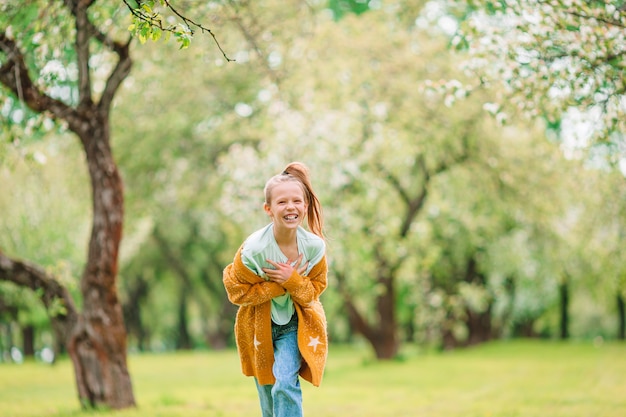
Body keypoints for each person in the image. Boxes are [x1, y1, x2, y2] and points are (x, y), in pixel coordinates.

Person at [222, 162, 328, 417]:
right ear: (268, 209)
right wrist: (278, 286)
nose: (290, 207)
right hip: (259, 326)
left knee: (284, 383)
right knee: (268, 394)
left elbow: (314, 291)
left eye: (296, 201)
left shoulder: (313, 247)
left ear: (304, 206)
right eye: (282, 202)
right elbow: (236, 291)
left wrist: (292, 279)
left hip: (294, 325)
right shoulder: (254, 249)